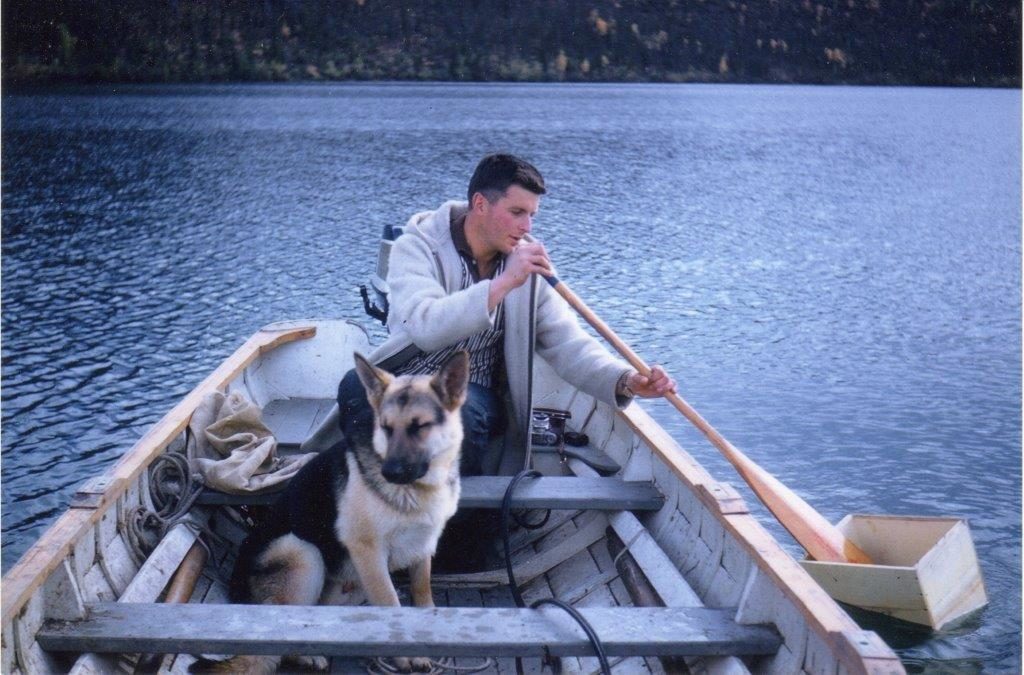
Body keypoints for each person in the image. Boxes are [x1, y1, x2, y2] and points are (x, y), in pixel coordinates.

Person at [331, 153, 676, 477]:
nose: (526, 226)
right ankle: (371, 487)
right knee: (354, 386)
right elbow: (426, 327)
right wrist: (504, 283)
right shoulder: (418, 246)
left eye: (532, 215)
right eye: (517, 212)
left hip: (473, 393)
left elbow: (568, 344)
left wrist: (627, 380)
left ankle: (455, 510)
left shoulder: (528, 265)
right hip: (405, 379)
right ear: (480, 204)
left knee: (458, 416)